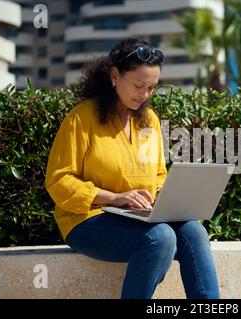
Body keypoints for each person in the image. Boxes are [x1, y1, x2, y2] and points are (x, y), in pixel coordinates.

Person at [44, 38, 220, 299]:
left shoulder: (149, 119)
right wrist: (114, 198)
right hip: (86, 220)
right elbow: (59, 181)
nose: (145, 95)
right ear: (115, 76)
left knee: (193, 230)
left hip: (140, 218)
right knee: (161, 237)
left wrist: (163, 197)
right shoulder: (82, 118)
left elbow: (158, 173)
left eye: (152, 87)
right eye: (138, 85)